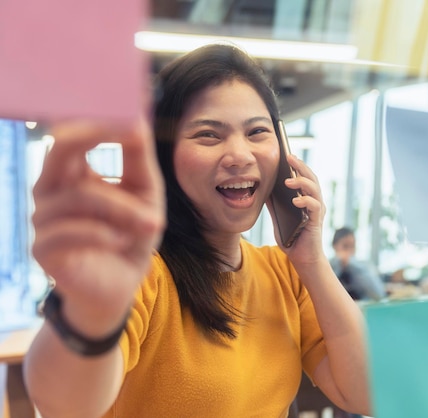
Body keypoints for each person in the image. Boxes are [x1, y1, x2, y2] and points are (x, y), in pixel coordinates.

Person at [24, 43, 371, 418]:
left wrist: (313, 260)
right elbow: (65, 406)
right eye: (209, 134)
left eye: (257, 132)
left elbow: (368, 395)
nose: (240, 154)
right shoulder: (143, 274)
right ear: (165, 157)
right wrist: (89, 311)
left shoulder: (285, 272)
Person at [330, 227, 386, 301]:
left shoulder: (362, 267)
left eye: (353, 246)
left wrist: (351, 264)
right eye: (345, 246)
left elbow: (379, 294)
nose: (349, 251)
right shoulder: (328, 267)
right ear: (334, 246)